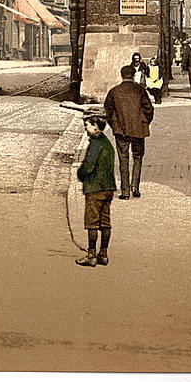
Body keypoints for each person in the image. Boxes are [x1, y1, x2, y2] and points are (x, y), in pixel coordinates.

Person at [103, 65, 154, 199]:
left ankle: (125, 191)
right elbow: (149, 109)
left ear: (122, 75)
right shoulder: (140, 90)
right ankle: (135, 188)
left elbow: (107, 110)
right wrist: (144, 122)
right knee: (138, 157)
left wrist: (114, 124)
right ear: (133, 75)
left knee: (123, 159)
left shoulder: (114, 91)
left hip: (121, 130)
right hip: (139, 129)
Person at [75, 114, 116, 267]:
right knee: (105, 222)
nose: (85, 129)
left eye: (87, 125)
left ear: (95, 127)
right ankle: (103, 254)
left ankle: (91, 255)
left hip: (95, 188)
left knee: (92, 222)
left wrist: (81, 174)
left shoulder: (95, 144)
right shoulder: (107, 143)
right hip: (108, 187)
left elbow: (88, 166)